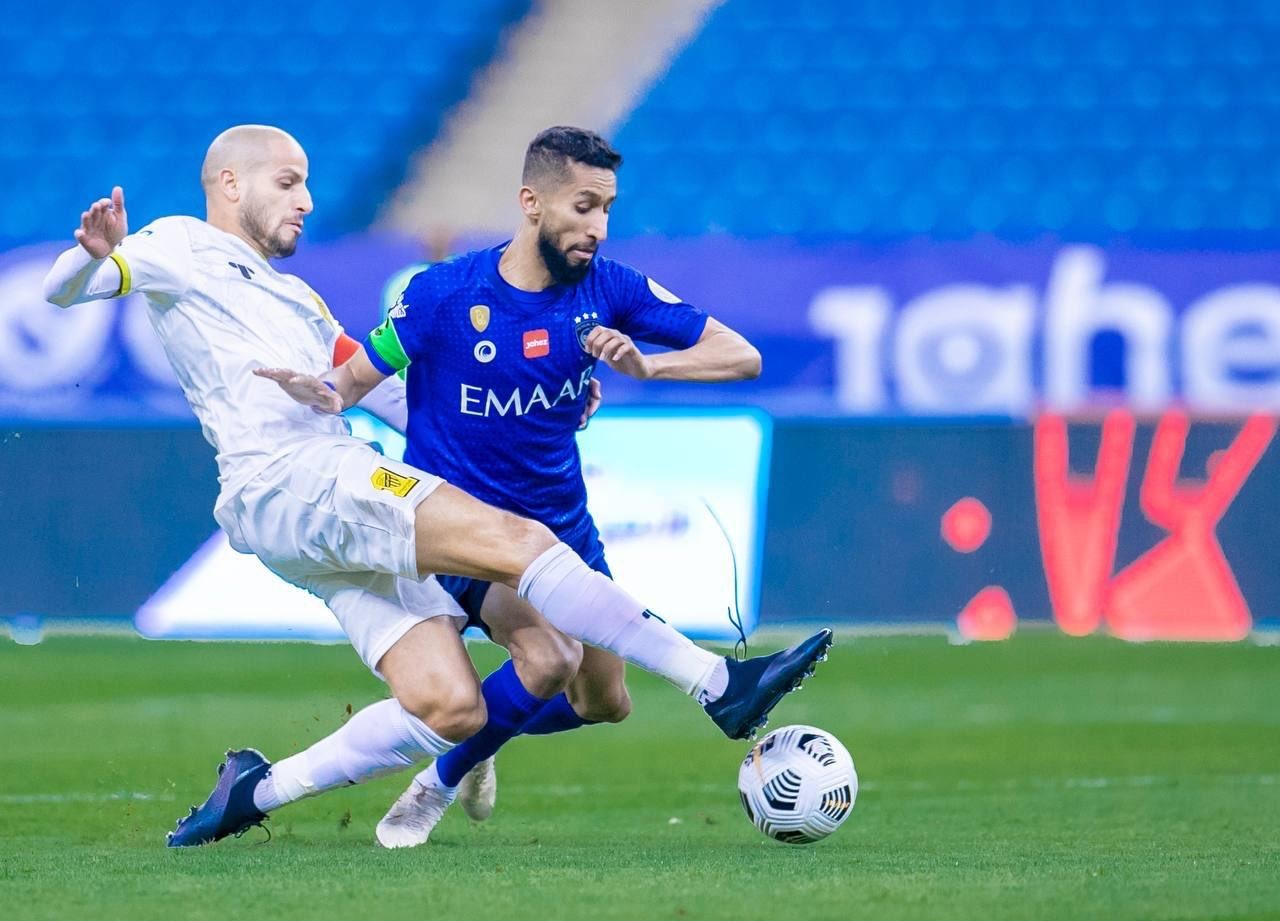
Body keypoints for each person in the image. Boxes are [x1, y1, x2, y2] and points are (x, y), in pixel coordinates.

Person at [42, 124, 832, 848]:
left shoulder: (297, 298)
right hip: (298, 477)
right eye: (288, 182)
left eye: (308, 183)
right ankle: (716, 680)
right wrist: (90, 254)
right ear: (228, 182)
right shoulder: (180, 243)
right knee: (525, 543)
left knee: (456, 707)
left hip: (313, 501)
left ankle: (255, 790)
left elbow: (379, 387)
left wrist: (551, 376)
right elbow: (69, 288)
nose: (308, 199)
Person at [322, 125, 777, 849]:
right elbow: (351, 381)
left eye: (607, 209)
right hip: (466, 531)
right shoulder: (443, 293)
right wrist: (296, 416)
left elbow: (740, 355)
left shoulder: (611, 288)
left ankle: (488, 733)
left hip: (564, 528)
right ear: (532, 202)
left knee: (606, 700)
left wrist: (651, 369)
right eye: (583, 206)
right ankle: (436, 781)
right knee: (548, 657)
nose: (597, 226)